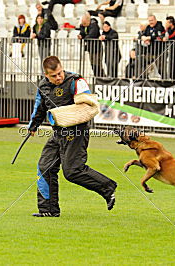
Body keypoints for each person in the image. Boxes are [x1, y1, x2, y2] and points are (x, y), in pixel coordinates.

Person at [28, 56, 118, 217]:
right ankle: (48, 209)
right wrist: (33, 125)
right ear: (46, 75)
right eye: (54, 75)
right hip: (58, 133)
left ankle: (107, 187)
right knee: (44, 167)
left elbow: (89, 106)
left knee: (72, 171)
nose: (59, 77)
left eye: (60, 73)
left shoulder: (76, 81)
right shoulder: (43, 86)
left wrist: (66, 115)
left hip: (76, 132)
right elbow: (39, 106)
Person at [78, 13, 105, 77]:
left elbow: (91, 36)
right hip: (90, 48)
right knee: (93, 64)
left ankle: (102, 78)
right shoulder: (83, 25)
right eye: (82, 23)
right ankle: (97, 77)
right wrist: (80, 35)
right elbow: (82, 33)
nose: (83, 25)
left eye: (84, 23)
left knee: (97, 65)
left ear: (88, 21)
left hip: (97, 48)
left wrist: (84, 38)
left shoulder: (94, 25)